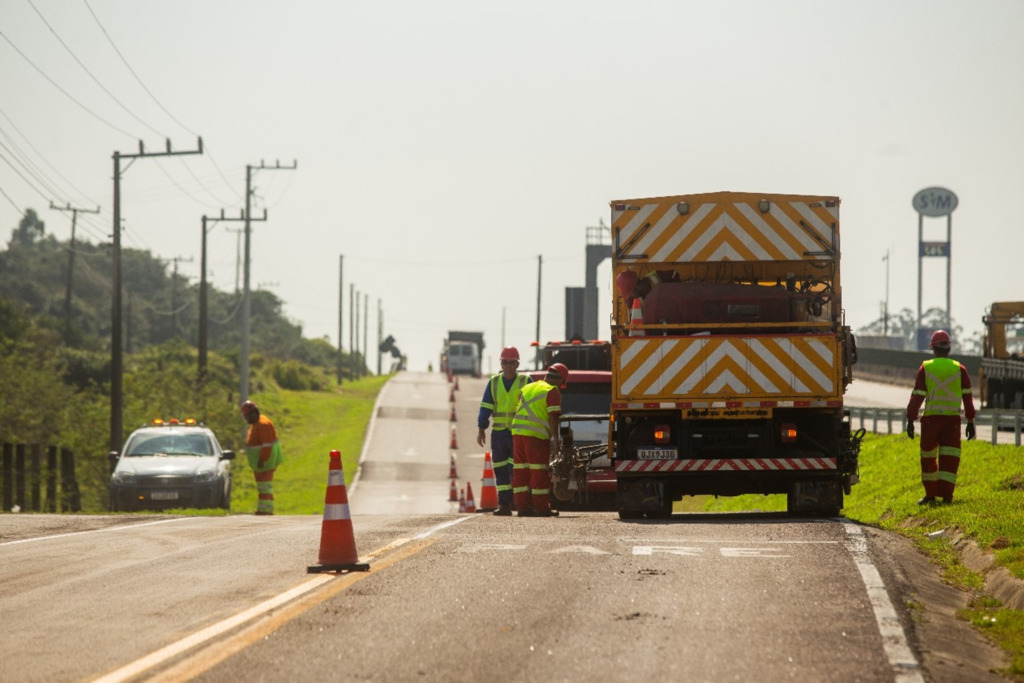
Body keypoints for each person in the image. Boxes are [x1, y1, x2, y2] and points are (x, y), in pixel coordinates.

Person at [905, 330, 976, 505]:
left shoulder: (926, 367)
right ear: (949, 349)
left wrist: (910, 419)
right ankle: (946, 497)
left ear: (933, 349)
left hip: (931, 421)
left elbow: (917, 396)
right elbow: (968, 398)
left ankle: (930, 495)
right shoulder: (960, 369)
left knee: (928, 457)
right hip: (952, 422)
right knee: (950, 460)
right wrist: (970, 421)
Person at [477, 346, 532, 516]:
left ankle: (521, 504)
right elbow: (485, 407)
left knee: (515, 469)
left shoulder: (526, 382)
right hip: (499, 434)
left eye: (512, 363)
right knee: (500, 470)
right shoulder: (493, 383)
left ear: (517, 364)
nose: (508, 366)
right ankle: (505, 505)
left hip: (518, 434)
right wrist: (481, 429)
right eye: (505, 362)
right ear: (501, 363)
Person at [510, 363, 568, 517]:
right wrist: (556, 440)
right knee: (539, 471)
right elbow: (552, 417)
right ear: (560, 381)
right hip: (535, 437)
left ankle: (522, 508)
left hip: (517, 432)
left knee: (521, 471)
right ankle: (542, 508)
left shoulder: (528, 387)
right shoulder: (552, 391)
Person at [240, 400, 284, 515]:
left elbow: (267, 445)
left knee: (265, 486)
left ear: (253, 414)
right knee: (262, 487)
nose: (246, 419)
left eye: (247, 417)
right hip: (262, 463)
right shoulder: (258, 423)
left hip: (265, 463)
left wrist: (262, 459)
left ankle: (266, 509)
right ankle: (263, 508)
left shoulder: (263, 425)